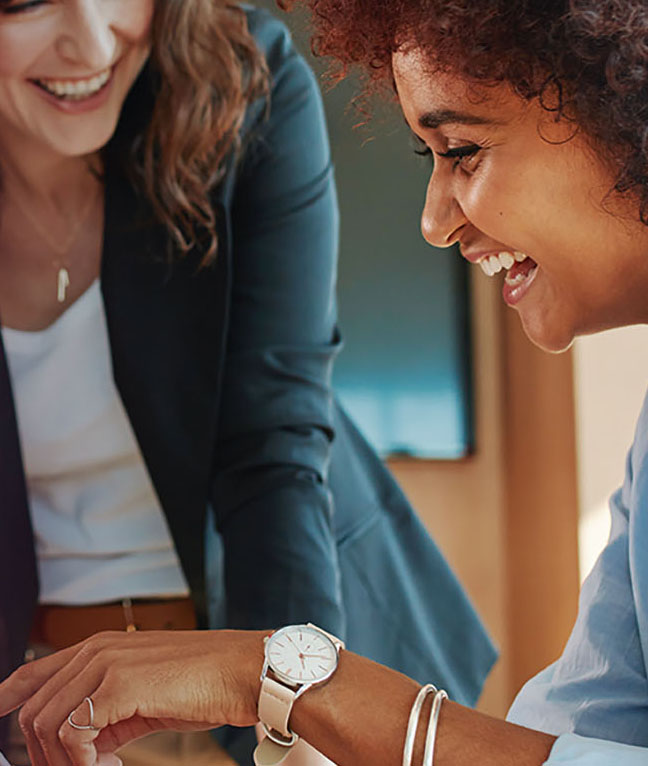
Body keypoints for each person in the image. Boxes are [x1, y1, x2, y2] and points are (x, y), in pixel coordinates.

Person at [4, 0, 648, 763]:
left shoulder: (236, 81)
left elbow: (272, 444)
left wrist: (285, 681)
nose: (434, 223)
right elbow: (574, 742)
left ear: (644, 114)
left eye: (463, 150)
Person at [0, 1, 496, 765]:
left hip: (263, 656)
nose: (93, 40)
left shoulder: (242, 79)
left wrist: (293, 723)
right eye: (27, 3)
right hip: (41, 704)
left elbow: (271, 448)